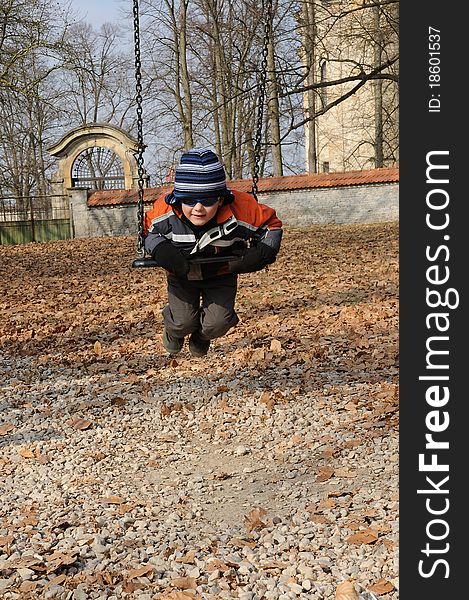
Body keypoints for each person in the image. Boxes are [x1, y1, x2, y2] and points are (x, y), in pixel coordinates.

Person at [143, 147, 283, 357]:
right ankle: (174, 332)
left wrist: (262, 253)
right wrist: (162, 250)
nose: (198, 208)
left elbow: (271, 226)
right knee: (182, 322)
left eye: (207, 200)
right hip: (182, 272)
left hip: (222, 271)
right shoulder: (165, 211)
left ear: (220, 199)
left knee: (218, 323)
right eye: (189, 200)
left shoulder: (242, 209)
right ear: (178, 198)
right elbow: (147, 230)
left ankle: (202, 335)